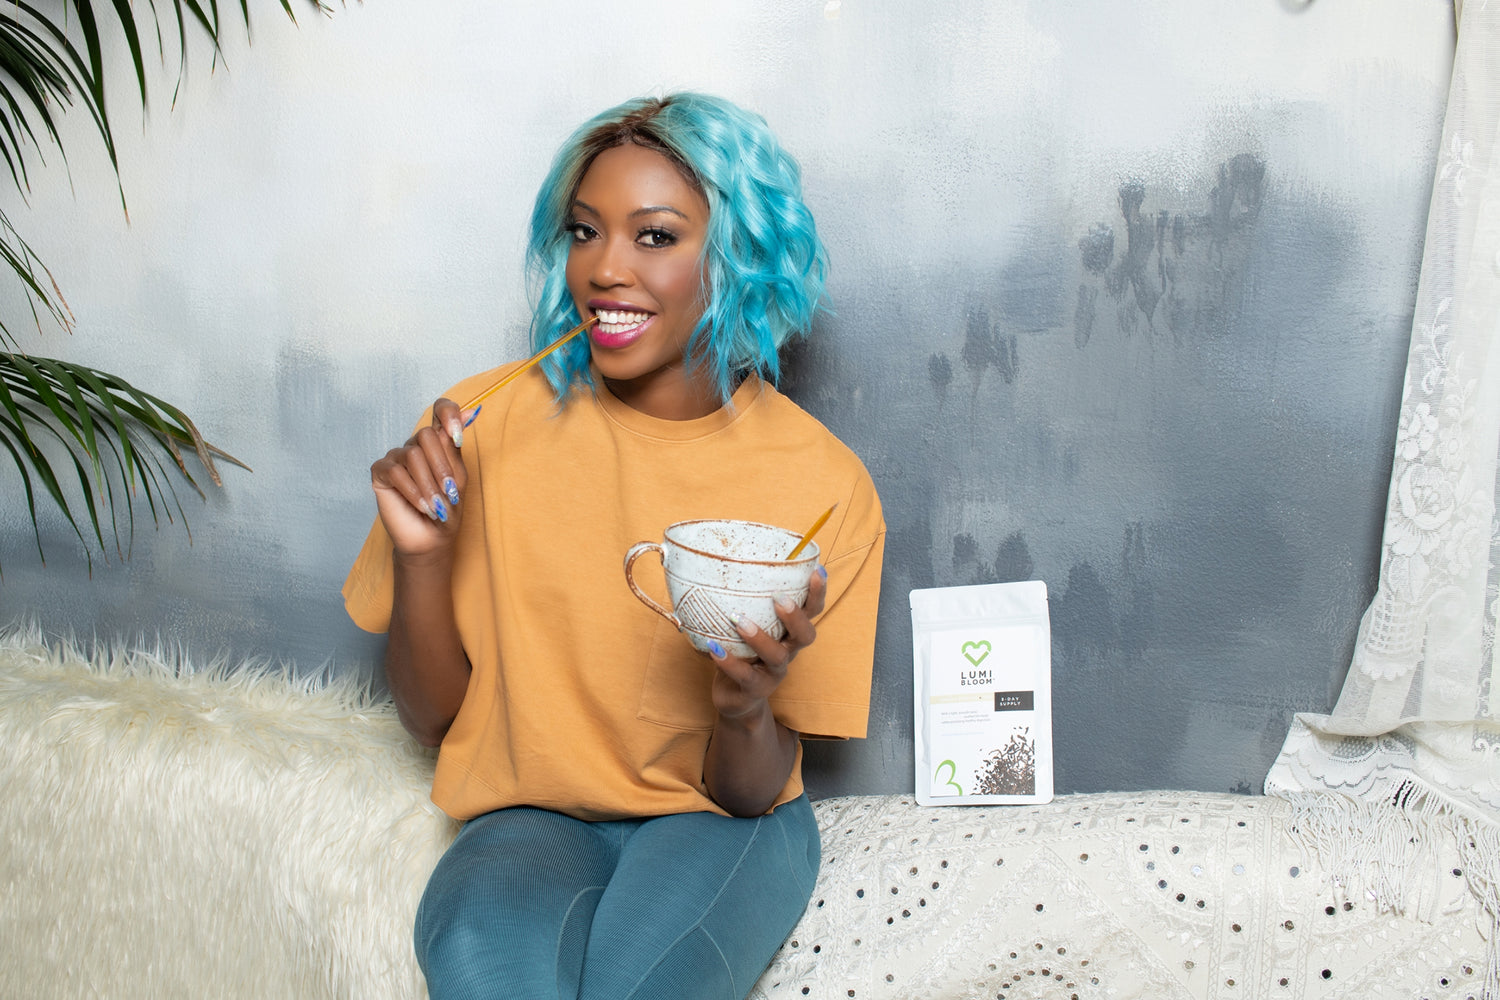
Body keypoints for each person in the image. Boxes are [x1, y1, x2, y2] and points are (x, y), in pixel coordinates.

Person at [343, 92, 886, 1000]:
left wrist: (744, 707)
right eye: (584, 231)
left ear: (739, 257)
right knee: (480, 957)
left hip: (725, 821)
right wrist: (423, 557)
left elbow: (749, 791)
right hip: (533, 823)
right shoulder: (478, 427)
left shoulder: (824, 484)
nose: (604, 269)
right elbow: (432, 723)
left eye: (655, 236)